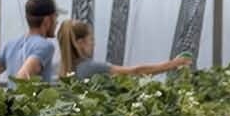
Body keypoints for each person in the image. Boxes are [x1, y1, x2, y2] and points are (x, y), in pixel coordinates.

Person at [56, 19, 192, 79]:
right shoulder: (91, 68)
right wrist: (173, 64)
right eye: (91, 39)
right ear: (80, 42)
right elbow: (136, 72)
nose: (93, 44)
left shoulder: (57, 69)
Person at [0, 0, 60, 88]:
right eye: (56, 16)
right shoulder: (45, 46)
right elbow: (22, 79)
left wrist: (5, 99)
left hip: (15, 102)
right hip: (30, 103)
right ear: (47, 21)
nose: (57, 22)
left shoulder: (11, 45)